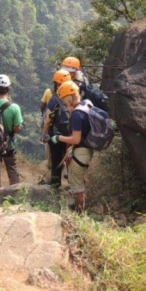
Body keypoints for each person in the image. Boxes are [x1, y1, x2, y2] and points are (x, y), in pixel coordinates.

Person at [50, 80, 92, 212]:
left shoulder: (76, 115)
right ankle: (81, 209)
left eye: (64, 99)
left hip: (80, 152)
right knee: (80, 183)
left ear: (68, 97)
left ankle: (80, 215)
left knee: (77, 186)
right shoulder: (87, 105)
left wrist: (59, 138)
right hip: (86, 150)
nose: (63, 102)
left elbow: (75, 138)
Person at [40, 69, 72, 187]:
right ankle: (72, 183)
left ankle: (55, 180)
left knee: (56, 156)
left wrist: (44, 133)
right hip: (72, 134)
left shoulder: (55, 98)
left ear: (57, 83)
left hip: (56, 134)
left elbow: (48, 119)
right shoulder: (74, 97)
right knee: (70, 157)